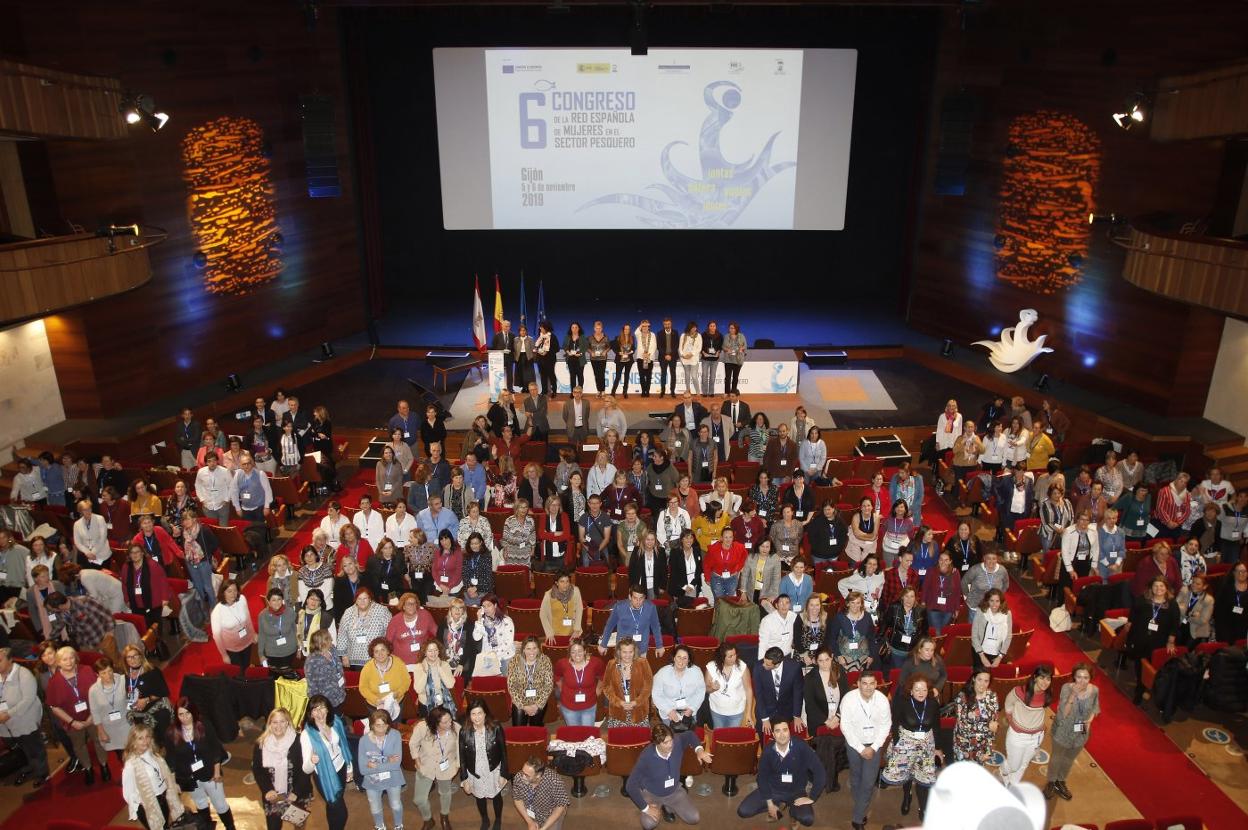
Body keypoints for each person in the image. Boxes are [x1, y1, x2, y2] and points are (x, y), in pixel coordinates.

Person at [737, 718, 824, 826]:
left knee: (807, 819)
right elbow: (762, 778)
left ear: (789, 731)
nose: (782, 735)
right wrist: (769, 804)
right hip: (773, 789)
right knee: (743, 811)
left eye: (785, 730)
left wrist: (812, 797)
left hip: (796, 792)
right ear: (773, 734)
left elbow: (820, 771)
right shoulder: (768, 751)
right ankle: (777, 805)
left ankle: (792, 811)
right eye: (778, 731)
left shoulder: (801, 747)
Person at [881, 675, 943, 821]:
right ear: (911, 691)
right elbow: (895, 724)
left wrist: (938, 748)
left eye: (924, 689)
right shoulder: (902, 702)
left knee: (923, 776)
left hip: (926, 744)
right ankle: (907, 796)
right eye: (917, 689)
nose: (921, 692)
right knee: (907, 773)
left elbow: (937, 727)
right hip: (906, 742)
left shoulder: (933, 704)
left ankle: (923, 807)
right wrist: (897, 745)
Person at [628, 723, 713, 829]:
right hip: (652, 794)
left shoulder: (676, 741)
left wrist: (699, 751)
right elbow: (630, 785)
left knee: (694, 818)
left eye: (671, 740)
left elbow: (690, 735)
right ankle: (663, 807)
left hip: (674, 791)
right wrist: (646, 808)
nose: (670, 745)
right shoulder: (646, 756)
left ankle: (668, 807)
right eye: (665, 743)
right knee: (648, 824)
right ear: (656, 743)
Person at [169, 699, 235, 830]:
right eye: (181, 714)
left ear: (194, 712)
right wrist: (173, 781)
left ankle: (230, 827)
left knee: (220, 804)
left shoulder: (204, 725)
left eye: (188, 713)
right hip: (189, 777)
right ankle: (207, 826)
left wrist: (216, 772)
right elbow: (171, 758)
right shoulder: (172, 732)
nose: (185, 718)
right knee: (200, 802)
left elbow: (216, 748)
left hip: (209, 773)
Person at [47, 646, 109, 784]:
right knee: (79, 746)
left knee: (99, 741)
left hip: (93, 716)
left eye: (71, 658)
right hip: (72, 722)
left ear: (76, 658)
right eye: (64, 659)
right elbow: (54, 707)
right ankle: (88, 768)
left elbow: (99, 692)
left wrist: (93, 715)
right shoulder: (54, 682)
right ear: (58, 662)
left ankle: (104, 765)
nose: (69, 662)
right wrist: (72, 722)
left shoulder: (86, 670)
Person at [839, 671, 891, 830]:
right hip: (854, 744)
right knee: (856, 776)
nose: (868, 687)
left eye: (871, 683)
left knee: (868, 781)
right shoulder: (849, 699)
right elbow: (845, 726)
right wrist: (861, 748)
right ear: (859, 684)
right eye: (865, 683)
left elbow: (886, 725)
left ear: (876, 684)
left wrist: (874, 747)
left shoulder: (882, 700)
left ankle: (857, 818)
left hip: (875, 745)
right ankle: (860, 807)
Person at [1044, 662, 1099, 801]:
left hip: (1081, 730)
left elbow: (1095, 708)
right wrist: (1073, 695)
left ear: (1090, 678)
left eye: (1086, 677)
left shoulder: (1094, 691)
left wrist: (1089, 721)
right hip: (1063, 728)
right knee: (1057, 758)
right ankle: (1051, 782)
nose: (1082, 681)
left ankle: (1060, 781)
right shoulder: (1066, 688)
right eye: (1079, 677)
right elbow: (1063, 713)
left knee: (1069, 759)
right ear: (1073, 677)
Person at [253, 707, 313, 830]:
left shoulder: (299, 741)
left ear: (288, 722)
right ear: (269, 724)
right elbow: (258, 770)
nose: (278, 726)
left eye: (282, 721)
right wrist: (267, 789)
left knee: (298, 824)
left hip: (296, 793)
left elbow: (305, 770)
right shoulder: (261, 743)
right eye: (274, 722)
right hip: (274, 795)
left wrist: (295, 792)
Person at [301, 694, 353, 830]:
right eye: (315, 709)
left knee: (332, 806)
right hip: (324, 777)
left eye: (323, 708)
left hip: (340, 768)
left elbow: (343, 745)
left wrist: (349, 767)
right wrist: (312, 761)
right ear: (310, 713)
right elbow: (306, 769)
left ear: (328, 709)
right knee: (342, 813)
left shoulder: (335, 722)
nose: (320, 713)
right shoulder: (307, 735)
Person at [0, 646, 50, 787]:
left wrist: (8, 714)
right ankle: (29, 767)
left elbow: (28, 699)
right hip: (5, 726)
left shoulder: (23, 674)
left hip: (25, 721)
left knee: (34, 748)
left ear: (10, 660)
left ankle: (42, 773)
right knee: (20, 749)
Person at [459, 698, 509, 830]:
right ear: (469, 715)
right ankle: (485, 819)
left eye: (479, 713)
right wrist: (464, 778)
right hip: (475, 770)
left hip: (493, 768)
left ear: (485, 713)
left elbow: (504, 752)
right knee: (479, 797)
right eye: (473, 714)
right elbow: (462, 756)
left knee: (496, 795)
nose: (476, 717)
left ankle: (498, 819)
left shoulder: (496, 727)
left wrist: (504, 773)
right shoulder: (464, 731)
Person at [121, 724, 183, 829]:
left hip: (163, 799)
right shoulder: (131, 764)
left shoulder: (155, 755)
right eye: (140, 738)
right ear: (133, 741)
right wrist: (140, 805)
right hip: (147, 805)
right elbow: (128, 792)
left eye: (147, 737)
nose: (145, 741)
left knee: (165, 826)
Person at [999, 665, 1053, 786]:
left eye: (1048, 679)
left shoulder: (1048, 694)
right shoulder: (1019, 691)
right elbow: (1008, 703)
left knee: (1024, 764)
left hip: (1036, 737)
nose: (1045, 682)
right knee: (1014, 765)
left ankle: (1012, 785)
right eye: (1042, 678)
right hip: (1018, 735)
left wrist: (1041, 726)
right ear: (1035, 677)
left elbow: (1042, 711)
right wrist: (1010, 719)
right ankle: (1002, 771)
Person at [409, 705, 460, 830]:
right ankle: (428, 819)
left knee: (445, 792)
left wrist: (457, 766)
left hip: (447, 767)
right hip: (426, 766)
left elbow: (460, 749)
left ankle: (444, 816)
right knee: (419, 800)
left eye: (450, 719)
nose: (449, 723)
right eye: (445, 722)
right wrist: (417, 760)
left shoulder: (457, 728)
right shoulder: (422, 727)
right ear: (435, 723)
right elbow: (413, 743)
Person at [355, 709, 405, 830]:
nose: (382, 729)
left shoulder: (395, 735)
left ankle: (398, 825)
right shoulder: (364, 740)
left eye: (385, 725)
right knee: (375, 808)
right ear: (372, 725)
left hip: (393, 777)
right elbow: (363, 770)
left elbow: (396, 765)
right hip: (372, 781)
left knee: (396, 804)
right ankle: (379, 826)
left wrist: (374, 765)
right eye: (378, 725)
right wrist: (388, 759)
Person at [753, 646, 804, 736]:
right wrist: (765, 719)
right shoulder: (758, 667)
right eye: (764, 661)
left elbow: (797, 692)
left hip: (786, 711)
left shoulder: (794, 667)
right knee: (764, 740)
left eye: (768, 664)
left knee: (784, 738)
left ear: (777, 664)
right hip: (765, 710)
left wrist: (797, 716)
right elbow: (758, 694)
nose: (764, 665)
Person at [651, 644, 704, 731]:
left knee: (688, 740)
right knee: (671, 741)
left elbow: (700, 692)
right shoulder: (662, 673)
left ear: (689, 660)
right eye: (679, 657)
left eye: (685, 658)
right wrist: (669, 711)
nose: (681, 661)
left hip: (689, 713)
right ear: (674, 658)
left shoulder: (696, 672)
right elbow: (656, 695)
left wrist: (691, 709)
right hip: (669, 714)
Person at [120, 542, 173, 628]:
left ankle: (158, 641)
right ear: (129, 555)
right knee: (142, 627)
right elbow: (124, 585)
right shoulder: (126, 567)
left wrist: (165, 598)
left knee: (155, 627)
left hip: (153, 602)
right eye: (132, 552)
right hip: (136, 604)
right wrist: (127, 600)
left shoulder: (152, 565)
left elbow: (163, 581)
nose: (135, 554)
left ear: (142, 553)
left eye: (137, 552)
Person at [553, 638, 603, 727]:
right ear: (569, 653)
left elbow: (602, 676)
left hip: (589, 705)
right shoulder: (562, 663)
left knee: (587, 734)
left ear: (584, 651)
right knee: (574, 734)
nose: (577, 655)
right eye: (573, 652)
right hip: (569, 706)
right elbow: (557, 677)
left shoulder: (595, 663)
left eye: (579, 651)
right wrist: (562, 689)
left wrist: (598, 690)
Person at [337, 589, 392, 670]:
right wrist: (344, 655)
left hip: (377, 657)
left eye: (365, 598)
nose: (362, 601)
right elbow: (342, 634)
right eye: (359, 599)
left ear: (370, 599)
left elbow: (390, 632)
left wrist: (388, 652)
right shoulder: (348, 612)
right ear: (356, 600)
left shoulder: (382, 611)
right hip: (354, 658)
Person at [512, 755, 570, 830]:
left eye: (527, 775)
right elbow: (517, 799)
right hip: (532, 812)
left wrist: (544, 828)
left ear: (538, 775)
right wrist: (529, 821)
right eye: (523, 772)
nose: (522, 776)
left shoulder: (554, 780)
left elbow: (560, 805)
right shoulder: (519, 777)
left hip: (551, 813)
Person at [953, 668, 999, 765]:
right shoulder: (962, 697)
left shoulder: (992, 697)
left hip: (981, 745)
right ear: (974, 679)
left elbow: (994, 724)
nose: (982, 684)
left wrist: (988, 750)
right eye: (979, 679)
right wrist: (988, 726)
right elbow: (963, 727)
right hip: (964, 744)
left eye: (986, 681)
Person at [507, 636, 554, 727]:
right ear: (523, 649)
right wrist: (523, 706)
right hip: (520, 701)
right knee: (519, 731)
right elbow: (511, 686)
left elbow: (548, 685)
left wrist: (537, 705)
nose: (532, 652)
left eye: (534, 648)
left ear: (539, 648)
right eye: (528, 648)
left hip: (538, 700)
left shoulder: (545, 661)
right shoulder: (514, 661)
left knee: (535, 729)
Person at [360, 638, 412, 719]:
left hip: (396, 702)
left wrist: (398, 693)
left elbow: (407, 681)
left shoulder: (398, 663)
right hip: (375, 706)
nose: (380, 654)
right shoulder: (367, 668)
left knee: (395, 727)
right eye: (376, 651)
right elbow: (363, 688)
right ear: (373, 654)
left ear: (388, 651)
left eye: (383, 650)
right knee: (379, 728)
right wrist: (375, 700)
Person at [705, 641, 751, 729]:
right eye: (730, 656)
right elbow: (706, 688)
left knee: (732, 739)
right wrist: (712, 688)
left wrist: (748, 713)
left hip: (737, 711)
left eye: (735, 654)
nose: (734, 658)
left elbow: (748, 690)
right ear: (722, 657)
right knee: (719, 737)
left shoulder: (742, 667)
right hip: (717, 710)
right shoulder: (711, 667)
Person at [210, 580, 255, 668]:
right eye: (229, 591)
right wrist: (224, 655)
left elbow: (248, 618)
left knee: (247, 666)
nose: (233, 594)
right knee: (239, 673)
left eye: (235, 590)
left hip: (247, 642)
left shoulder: (242, 599)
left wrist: (253, 633)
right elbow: (217, 636)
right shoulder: (217, 612)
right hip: (233, 649)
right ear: (223, 593)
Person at [881, 587, 928, 671]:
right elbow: (885, 624)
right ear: (902, 597)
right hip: (896, 649)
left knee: (909, 675)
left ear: (915, 598)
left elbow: (924, 631)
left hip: (913, 650)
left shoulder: (921, 610)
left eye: (912, 596)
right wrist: (880, 638)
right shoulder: (894, 608)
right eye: (906, 596)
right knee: (897, 674)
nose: (909, 599)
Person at [832, 591, 879, 672]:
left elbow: (871, 637)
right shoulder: (840, 617)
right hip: (844, 657)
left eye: (858, 603)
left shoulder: (867, 617)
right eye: (852, 602)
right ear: (847, 604)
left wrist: (871, 656)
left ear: (861, 604)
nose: (855, 606)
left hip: (863, 657)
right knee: (846, 682)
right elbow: (832, 638)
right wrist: (838, 656)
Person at [473, 594, 516, 676]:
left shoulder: (506, 621)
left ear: (495, 605)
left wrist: (494, 654)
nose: (486, 609)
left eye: (489, 606)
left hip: (504, 657)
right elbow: (476, 637)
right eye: (484, 606)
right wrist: (479, 620)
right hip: (489, 658)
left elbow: (508, 642)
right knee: (492, 685)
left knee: (507, 683)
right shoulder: (482, 621)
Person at [257, 588, 298, 672]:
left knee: (287, 678)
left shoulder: (290, 612)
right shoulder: (262, 615)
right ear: (268, 601)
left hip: (289, 651)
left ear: (282, 600)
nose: (277, 602)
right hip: (271, 653)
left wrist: (299, 648)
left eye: (279, 599)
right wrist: (261, 654)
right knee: (274, 676)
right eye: (273, 600)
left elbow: (296, 631)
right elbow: (261, 636)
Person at [963, 549, 1009, 624]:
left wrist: (999, 596)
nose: (991, 561)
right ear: (984, 558)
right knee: (973, 628)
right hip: (975, 605)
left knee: (988, 629)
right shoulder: (976, 569)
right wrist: (966, 595)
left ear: (997, 559)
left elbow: (1006, 584)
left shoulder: (1002, 570)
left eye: (994, 558)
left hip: (993, 607)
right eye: (989, 558)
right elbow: (964, 582)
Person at [971, 589, 1012, 671]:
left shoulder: (1007, 614)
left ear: (1001, 602)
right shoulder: (981, 611)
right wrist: (982, 656)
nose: (994, 604)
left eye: (997, 601)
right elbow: (974, 635)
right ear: (987, 601)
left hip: (997, 653)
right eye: (991, 601)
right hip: (980, 651)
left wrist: (1000, 657)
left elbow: (1008, 636)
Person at [539, 569, 584, 643]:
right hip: (555, 634)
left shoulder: (575, 591)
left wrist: (577, 630)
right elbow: (542, 615)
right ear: (556, 583)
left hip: (573, 633)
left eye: (567, 581)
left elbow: (579, 609)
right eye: (562, 581)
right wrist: (549, 633)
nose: (565, 584)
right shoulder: (549, 595)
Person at [838, 555, 885, 621]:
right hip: (858, 607)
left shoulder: (880, 576)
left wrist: (877, 598)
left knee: (872, 625)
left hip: (872, 608)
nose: (872, 566)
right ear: (865, 564)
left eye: (874, 564)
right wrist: (850, 599)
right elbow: (841, 584)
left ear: (877, 566)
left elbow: (880, 587)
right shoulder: (857, 576)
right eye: (869, 563)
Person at [1214, 562, 1248, 645]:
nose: (1242, 574)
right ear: (1233, 573)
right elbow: (1219, 612)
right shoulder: (1225, 588)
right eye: (1239, 571)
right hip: (1228, 627)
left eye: (1244, 571)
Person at [758, 593, 798, 657]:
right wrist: (763, 662)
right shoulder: (767, 621)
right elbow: (762, 644)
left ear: (790, 605)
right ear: (776, 605)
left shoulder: (794, 617)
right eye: (781, 603)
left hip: (788, 655)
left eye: (787, 603)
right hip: (772, 657)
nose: (784, 606)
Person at [889, 460, 925, 527]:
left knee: (912, 533)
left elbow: (920, 496)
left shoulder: (918, 479)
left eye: (902, 473)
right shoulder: (895, 477)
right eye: (899, 472)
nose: (900, 475)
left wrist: (912, 510)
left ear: (908, 472)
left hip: (913, 511)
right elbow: (892, 495)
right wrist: (897, 509)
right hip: (898, 510)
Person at [844, 498, 878, 565]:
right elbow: (856, 534)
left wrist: (862, 535)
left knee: (866, 566)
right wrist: (870, 536)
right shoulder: (856, 517)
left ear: (872, 507)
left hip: (870, 546)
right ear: (861, 508)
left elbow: (874, 536)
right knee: (854, 567)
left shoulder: (876, 518)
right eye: (864, 506)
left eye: (868, 505)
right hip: (855, 545)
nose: (866, 508)